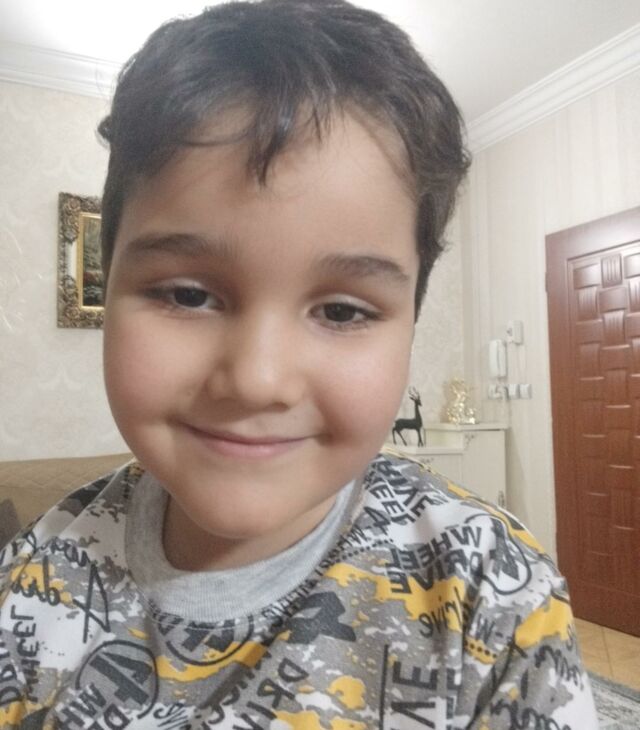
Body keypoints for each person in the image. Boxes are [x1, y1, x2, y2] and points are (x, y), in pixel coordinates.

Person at [0, 1, 598, 727]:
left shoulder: (491, 593)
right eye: (188, 295)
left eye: (342, 311)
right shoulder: (33, 574)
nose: (258, 379)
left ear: (411, 323)